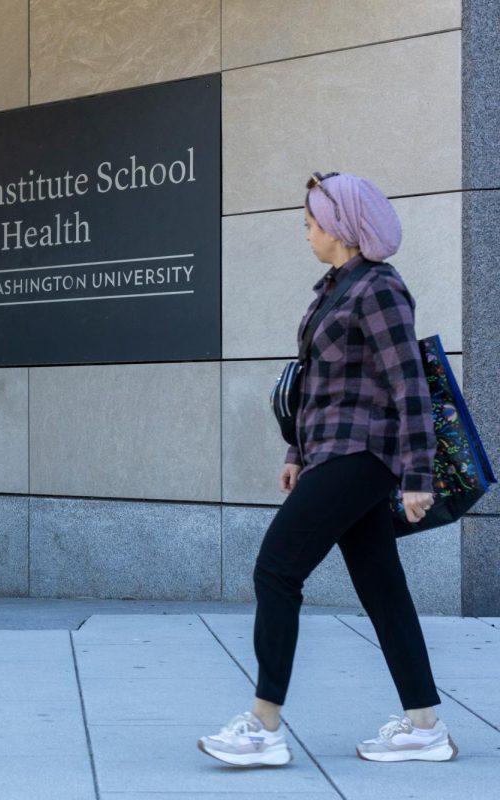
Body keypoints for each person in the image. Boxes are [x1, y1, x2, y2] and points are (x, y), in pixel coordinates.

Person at [198, 173, 456, 766]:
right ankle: (424, 725)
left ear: (340, 227)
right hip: (333, 451)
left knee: (277, 568)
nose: (307, 232)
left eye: (312, 222)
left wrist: (419, 475)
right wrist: (296, 453)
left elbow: (409, 387)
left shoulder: (380, 289)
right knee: (382, 587)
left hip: (362, 454)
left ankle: (264, 726)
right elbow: (317, 384)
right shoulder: (335, 289)